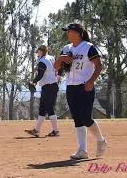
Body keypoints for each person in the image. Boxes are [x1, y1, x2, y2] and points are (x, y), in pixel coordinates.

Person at [54, 23, 107, 159]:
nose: (67, 34)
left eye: (69, 31)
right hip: (71, 87)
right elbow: (56, 66)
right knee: (77, 119)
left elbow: (99, 66)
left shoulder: (88, 47)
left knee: (86, 118)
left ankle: (101, 141)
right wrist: (61, 58)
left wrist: (91, 81)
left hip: (85, 86)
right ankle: (82, 150)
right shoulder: (66, 48)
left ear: (78, 33)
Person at [24, 45, 59, 137]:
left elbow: (40, 74)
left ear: (41, 51)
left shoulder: (42, 61)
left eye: (38, 51)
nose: (37, 53)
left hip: (49, 87)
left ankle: (56, 131)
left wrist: (33, 82)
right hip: (50, 86)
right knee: (42, 109)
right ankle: (36, 130)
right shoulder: (50, 58)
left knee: (50, 108)